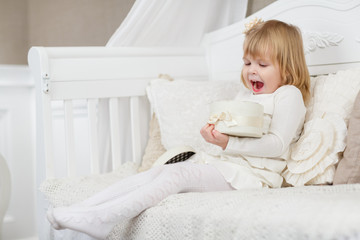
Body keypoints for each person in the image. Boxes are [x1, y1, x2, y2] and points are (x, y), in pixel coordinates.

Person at [46, 19, 310, 239]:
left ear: (288, 69)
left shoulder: (288, 95)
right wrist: (217, 132)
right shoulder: (247, 96)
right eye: (247, 63)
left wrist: (228, 143)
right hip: (227, 166)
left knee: (178, 176)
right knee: (160, 171)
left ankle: (104, 219)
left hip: (252, 177)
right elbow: (239, 132)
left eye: (262, 65)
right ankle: (82, 210)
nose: (252, 71)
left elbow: (277, 144)